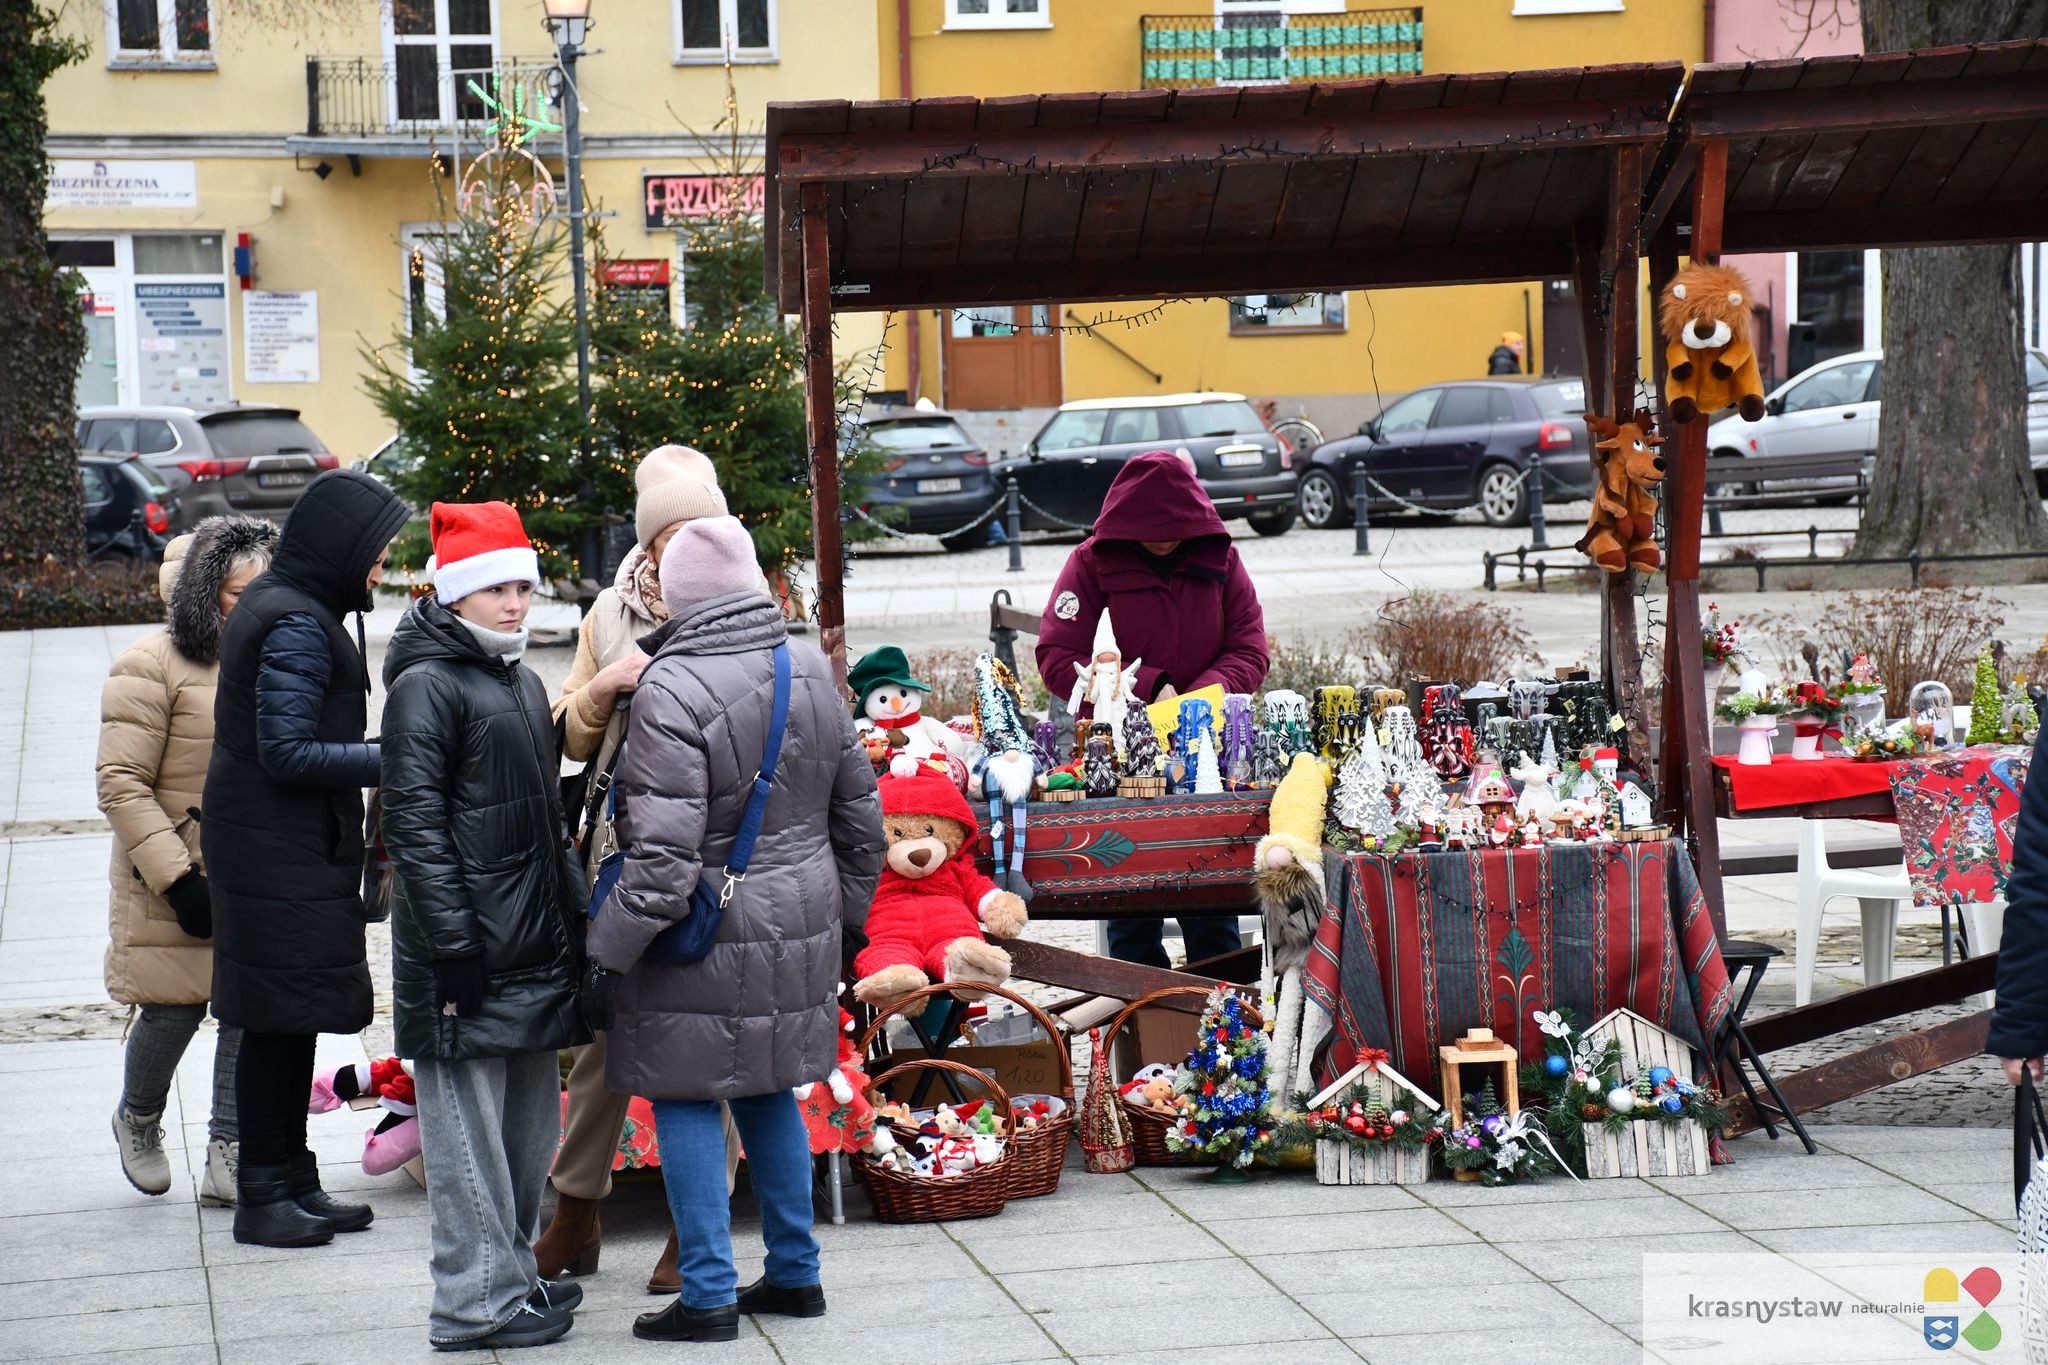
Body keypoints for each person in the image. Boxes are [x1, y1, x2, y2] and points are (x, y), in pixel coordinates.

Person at [584, 515, 884, 1344]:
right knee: (767, 1086)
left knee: (684, 1091)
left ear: (676, 597)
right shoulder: (809, 670)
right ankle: (795, 1272)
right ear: (753, 582)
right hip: (802, 918)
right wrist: (845, 924)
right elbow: (864, 826)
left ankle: (709, 1291)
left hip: (702, 930)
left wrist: (604, 954)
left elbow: (661, 865)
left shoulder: (670, 687)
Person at [380, 502, 589, 1351]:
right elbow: (413, 826)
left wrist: (575, 916)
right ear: (453, 592)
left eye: (523, 588)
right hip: (462, 958)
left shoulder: (520, 680)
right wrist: (456, 945)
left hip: (530, 948)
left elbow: (546, 821)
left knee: (527, 1133)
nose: (514, 603)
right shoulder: (425, 685)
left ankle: (512, 1273)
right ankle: (471, 1302)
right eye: (496, 588)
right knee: (467, 1138)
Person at [540, 442, 739, 1292]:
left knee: (704, 1036)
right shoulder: (608, 614)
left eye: (696, 529)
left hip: (715, 852)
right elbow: (565, 731)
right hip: (622, 849)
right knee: (601, 1037)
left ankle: (697, 1225)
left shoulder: (740, 598)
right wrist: (602, 689)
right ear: (646, 539)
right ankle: (576, 1212)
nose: (678, 550)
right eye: (665, 536)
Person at [203, 468, 408, 1249]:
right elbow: (286, 751)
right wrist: (393, 755)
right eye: (376, 551)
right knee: (274, 1020)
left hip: (277, 844)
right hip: (274, 849)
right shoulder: (295, 620)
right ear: (341, 547)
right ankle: (263, 1191)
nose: (382, 567)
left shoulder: (292, 602)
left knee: (291, 1015)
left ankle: (290, 1174)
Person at [99, 516, 277, 1205]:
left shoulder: (273, 658)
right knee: (173, 1009)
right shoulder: (148, 663)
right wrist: (177, 880)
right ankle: (138, 1117)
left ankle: (227, 1148)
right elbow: (121, 782)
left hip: (252, 870)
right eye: (237, 594)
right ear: (204, 594)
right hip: (173, 874)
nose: (253, 607)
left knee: (245, 1011)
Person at [1035, 450, 1268, 970]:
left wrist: (1196, 700)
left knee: (1212, 905)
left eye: (1175, 529)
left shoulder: (1221, 560)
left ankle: (1225, 1014)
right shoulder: (1091, 563)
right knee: (1131, 907)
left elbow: (1250, 649)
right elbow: (1057, 656)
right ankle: (1141, 1013)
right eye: (1152, 530)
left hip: (1206, 759)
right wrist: (1144, 685)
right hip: (1116, 765)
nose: (1164, 539)